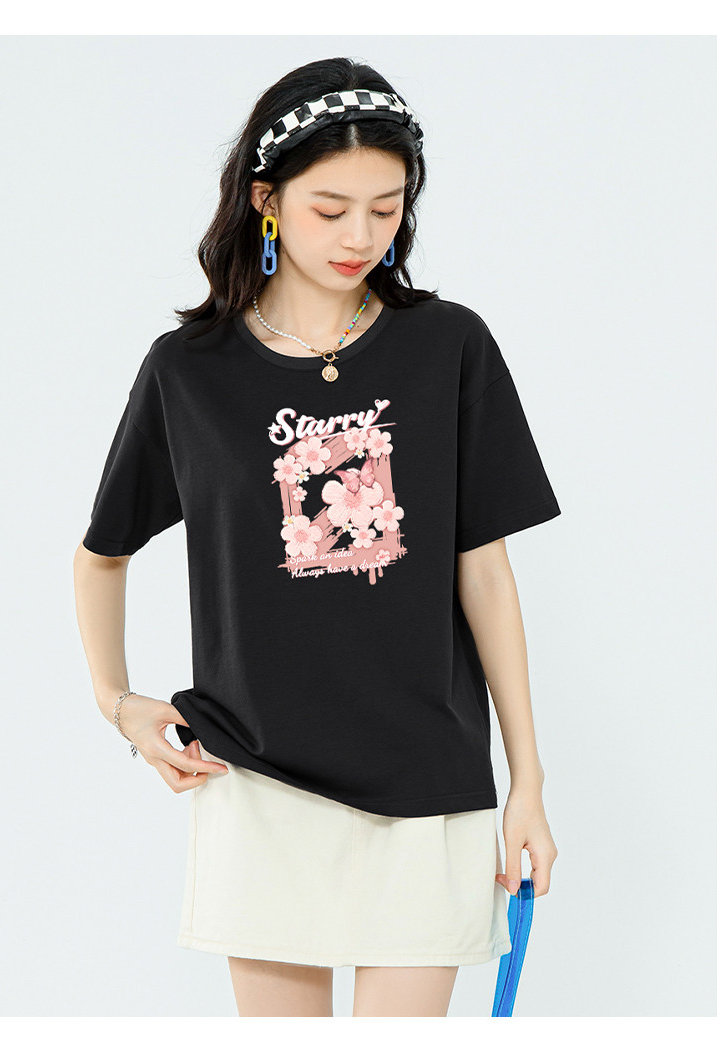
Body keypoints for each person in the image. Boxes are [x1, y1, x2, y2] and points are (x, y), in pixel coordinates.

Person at [73, 55, 561, 1018]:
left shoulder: (449, 345)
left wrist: (528, 785)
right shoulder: (190, 370)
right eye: (330, 209)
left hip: (427, 779)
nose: (361, 237)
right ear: (267, 200)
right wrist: (116, 703)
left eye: (386, 208)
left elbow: (486, 575)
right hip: (256, 778)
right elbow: (103, 553)